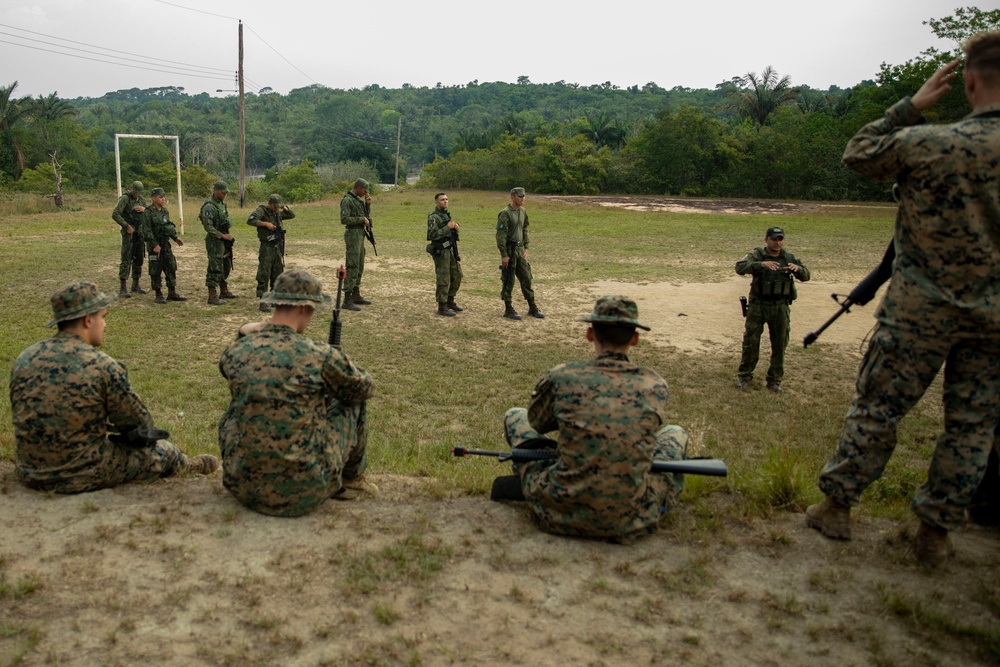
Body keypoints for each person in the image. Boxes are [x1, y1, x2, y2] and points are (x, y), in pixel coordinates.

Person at [805, 32, 1000, 567]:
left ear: (968, 80)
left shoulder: (932, 143)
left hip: (920, 309)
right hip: (995, 318)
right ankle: (935, 533)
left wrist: (911, 106)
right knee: (973, 426)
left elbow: (858, 151)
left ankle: (837, 507)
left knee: (879, 407)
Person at [502, 295, 687, 541]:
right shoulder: (655, 384)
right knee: (675, 433)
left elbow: (535, 423)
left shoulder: (563, 377)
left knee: (516, 416)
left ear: (590, 334)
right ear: (635, 338)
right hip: (634, 517)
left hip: (558, 511)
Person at [9, 282, 218, 494]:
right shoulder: (101, 365)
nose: (105, 325)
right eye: (103, 317)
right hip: (80, 473)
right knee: (163, 450)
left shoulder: (26, 357)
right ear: (88, 319)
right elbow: (140, 424)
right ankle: (188, 466)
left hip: (30, 469)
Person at [218, 268, 376, 517]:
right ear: (304, 308)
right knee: (351, 401)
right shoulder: (319, 354)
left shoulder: (236, 351)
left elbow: (229, 366)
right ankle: (352, 481)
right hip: (307, 492)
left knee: (237, 405)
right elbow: (364, 387)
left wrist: (244, 330)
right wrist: (338, 364)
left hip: (243, 487)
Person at [735, 226, 810, 392]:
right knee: (751, 342)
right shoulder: (757, 255)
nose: (778, 242)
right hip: (758, 306)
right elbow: (739, 267)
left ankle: (774, 380)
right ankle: (745, 376)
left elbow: (807, 275)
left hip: (780, 307)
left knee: (780, 343)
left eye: (780, 239)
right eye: (774, 239)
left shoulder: (788, 257)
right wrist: (761, 265)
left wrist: (798, 270)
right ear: (766, 239)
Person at [497, 187, 544, 320]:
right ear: (512, 197)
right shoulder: (505, 213)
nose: (522, 199)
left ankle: (532, 306)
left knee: (526, 278)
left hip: (520, 249)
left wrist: (526, 247)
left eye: (523, 196)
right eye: (519, 197)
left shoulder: (523, 211)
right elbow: (500, 236)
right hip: (510, 250)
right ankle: (508, 308)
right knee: (508, 280)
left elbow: (524, 229)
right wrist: (504, 254)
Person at [247, 193, 295, 313]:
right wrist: (265, 224)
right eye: (275, 206)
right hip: (267, 246)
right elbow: (250, 220)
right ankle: (263, 300)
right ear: (270, 203)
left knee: (277, 272)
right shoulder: (262, 211)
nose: (277, 209)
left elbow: (291, 215)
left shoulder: (277, 213)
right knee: (264, 272)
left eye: (279, 206)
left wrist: (286, 208)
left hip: (277, 246)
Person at [141, 187, 188, 304]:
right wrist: (154, 245)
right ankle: (158, 294)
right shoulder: (148, 212)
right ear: (153, 198)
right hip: (155, 246)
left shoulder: (164, 211)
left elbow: (168, 227)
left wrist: (175, 238)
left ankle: (172, 292)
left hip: (165, 244)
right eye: (160, 197)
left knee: (171, 266)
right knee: (155, 269)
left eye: (164, 197)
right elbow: (146, 231)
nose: (163, 199)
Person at [426, 192, 463, 317]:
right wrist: (447, 228)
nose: (445, 201)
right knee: (443, 278)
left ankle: (450, 300)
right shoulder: (434, 217)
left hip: (450, 250)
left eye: (447, 199)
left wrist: (455, 227)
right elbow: (432, 235)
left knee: (457, 274)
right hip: (441, 251)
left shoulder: (446, 215)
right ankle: (442, 306)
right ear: (436, 202)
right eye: (442, 200)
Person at [201, 180, 237, 305]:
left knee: (225, 265)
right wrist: (222, 236)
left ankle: (224, 290)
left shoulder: (222, 204)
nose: (225, 195)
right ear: (216, 191)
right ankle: (212, 295)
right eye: (223, 192)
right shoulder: (209, 207)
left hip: (224, 240)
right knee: (215, 266)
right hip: (215, 241)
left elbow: (226, 218)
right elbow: (208, 227)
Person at [340, 178, 373, 312]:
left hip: (360, 234)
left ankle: (355, 294)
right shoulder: (347, 200)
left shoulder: (357, 201)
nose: (365, 193)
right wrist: (361, 219)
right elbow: (344, 219)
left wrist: (367, 205)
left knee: (359, 265)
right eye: (364, 190)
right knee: (352, 265)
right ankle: (347, 300)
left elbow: (364, 216)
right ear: (359, 187)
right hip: (352, 235)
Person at [111, 180, 147, 298]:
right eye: (135, 191)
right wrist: (126, 226)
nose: (136, 194)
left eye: (138, 192)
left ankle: (135, 285)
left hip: (139, 233)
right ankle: (123, 287)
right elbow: (115, 214)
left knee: (139, 258)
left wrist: (144, 210)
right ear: (131, 188)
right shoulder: (125, 199)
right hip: (129, 234)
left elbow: (149, 214)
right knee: (126, 258)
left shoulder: (141, 200)